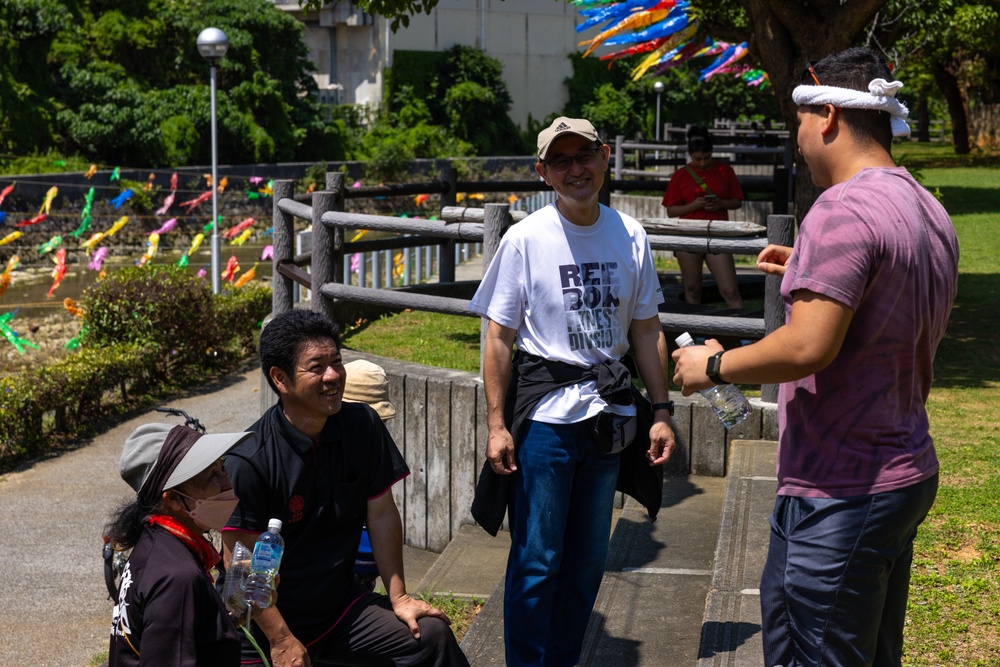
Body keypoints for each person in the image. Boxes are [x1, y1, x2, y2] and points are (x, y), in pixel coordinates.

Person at [672, 47, 958, 667]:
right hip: (903, 470)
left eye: (797, 122)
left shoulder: (841, 208)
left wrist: (713, 366)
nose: (797, 139)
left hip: (841, 487)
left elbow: (808, 346)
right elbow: (892, 313)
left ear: (827, 115)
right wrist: (810, 263)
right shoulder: (928, 209)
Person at [468, 116, 676, 667]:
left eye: (583, 155)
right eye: (560, 161)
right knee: (537, 558)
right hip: (546, 421)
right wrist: (495, 425)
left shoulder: (631, 234)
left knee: (587, 560)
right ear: (543, 173)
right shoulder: (525, 239)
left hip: (609, 417)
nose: (575, 169)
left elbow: (646, 328)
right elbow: (498, 338)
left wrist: (660, 410)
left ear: (605, 157)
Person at [221, 309, 469, 667]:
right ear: (280, 379)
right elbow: (238, 563)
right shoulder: (249, 460)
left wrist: (399, 597)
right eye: (317, 366)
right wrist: (281, 639)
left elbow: (382, 514)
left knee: (430, 635)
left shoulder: (362, 425)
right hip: (262, 626)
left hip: (339, 610)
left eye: (337, 361)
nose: (333, 375)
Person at [105, 422, 254, 666]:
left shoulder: (155, 543)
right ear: (173, 499)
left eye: (222, 468)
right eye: (211, 476)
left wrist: (228, 618)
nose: (227, 484)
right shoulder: (178, 576)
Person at [661, 124, 745, 309]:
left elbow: (737, 201)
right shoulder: (680, 176)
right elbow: (671, 210)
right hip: (689, 234)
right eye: (697, 159)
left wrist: (721, 203)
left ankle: (743, 332)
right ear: (690, 155)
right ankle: (694, 332)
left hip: (718, 233)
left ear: (712, 152)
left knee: (730, 290)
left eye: (706, 158)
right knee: (692, 289)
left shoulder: (725, 171)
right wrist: (693, 206)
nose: (702, 162)